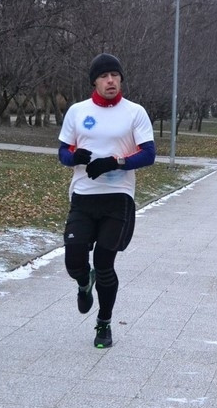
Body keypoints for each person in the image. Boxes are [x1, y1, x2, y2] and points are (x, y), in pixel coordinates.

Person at [58, 53, 155, 348]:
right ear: (94, 82)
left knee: (103, 262)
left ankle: (104, 323)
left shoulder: (135, 112)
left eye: (115, 75)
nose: (110, 80)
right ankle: (83, 282)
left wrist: (116, 162)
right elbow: (63, 152)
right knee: (74, 260)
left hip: (118, 199)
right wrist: (74, 157)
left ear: (121, 79)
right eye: (104, 76)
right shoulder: (77, 111)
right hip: (84, 196)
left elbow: (148, 154)